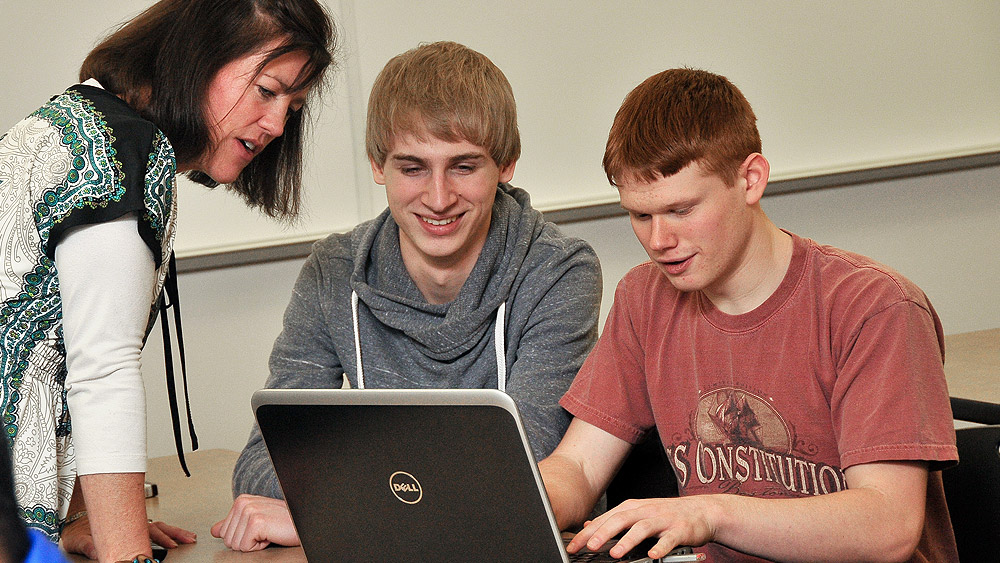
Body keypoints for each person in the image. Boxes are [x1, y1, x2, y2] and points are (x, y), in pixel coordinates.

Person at [538, 68, 959, 562]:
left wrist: (708, 514)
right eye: (640, 215)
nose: (658, 241)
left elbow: (888, 527)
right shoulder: (643, 297)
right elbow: (580, 469)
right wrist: (491, 506)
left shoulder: (875, 307)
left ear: (750, 179)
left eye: (681, 209)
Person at [211, 40, 603, 551]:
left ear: (506, 164)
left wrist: (332, 513)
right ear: (378, 164)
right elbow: (264, 461)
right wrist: (363, 506)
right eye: (412, 168)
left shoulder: (559, 271)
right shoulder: (333, 273)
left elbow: (524, 480)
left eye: (464, 166)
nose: (438, 198)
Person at [0, 1, 336, 561]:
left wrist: (81, 517)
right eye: (268, 91)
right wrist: (127, 554)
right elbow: (101, 371)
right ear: (201, 60)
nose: (278, 125)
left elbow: (55, 335)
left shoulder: (81, 122)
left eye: (293, 105)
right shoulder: (122, 153)